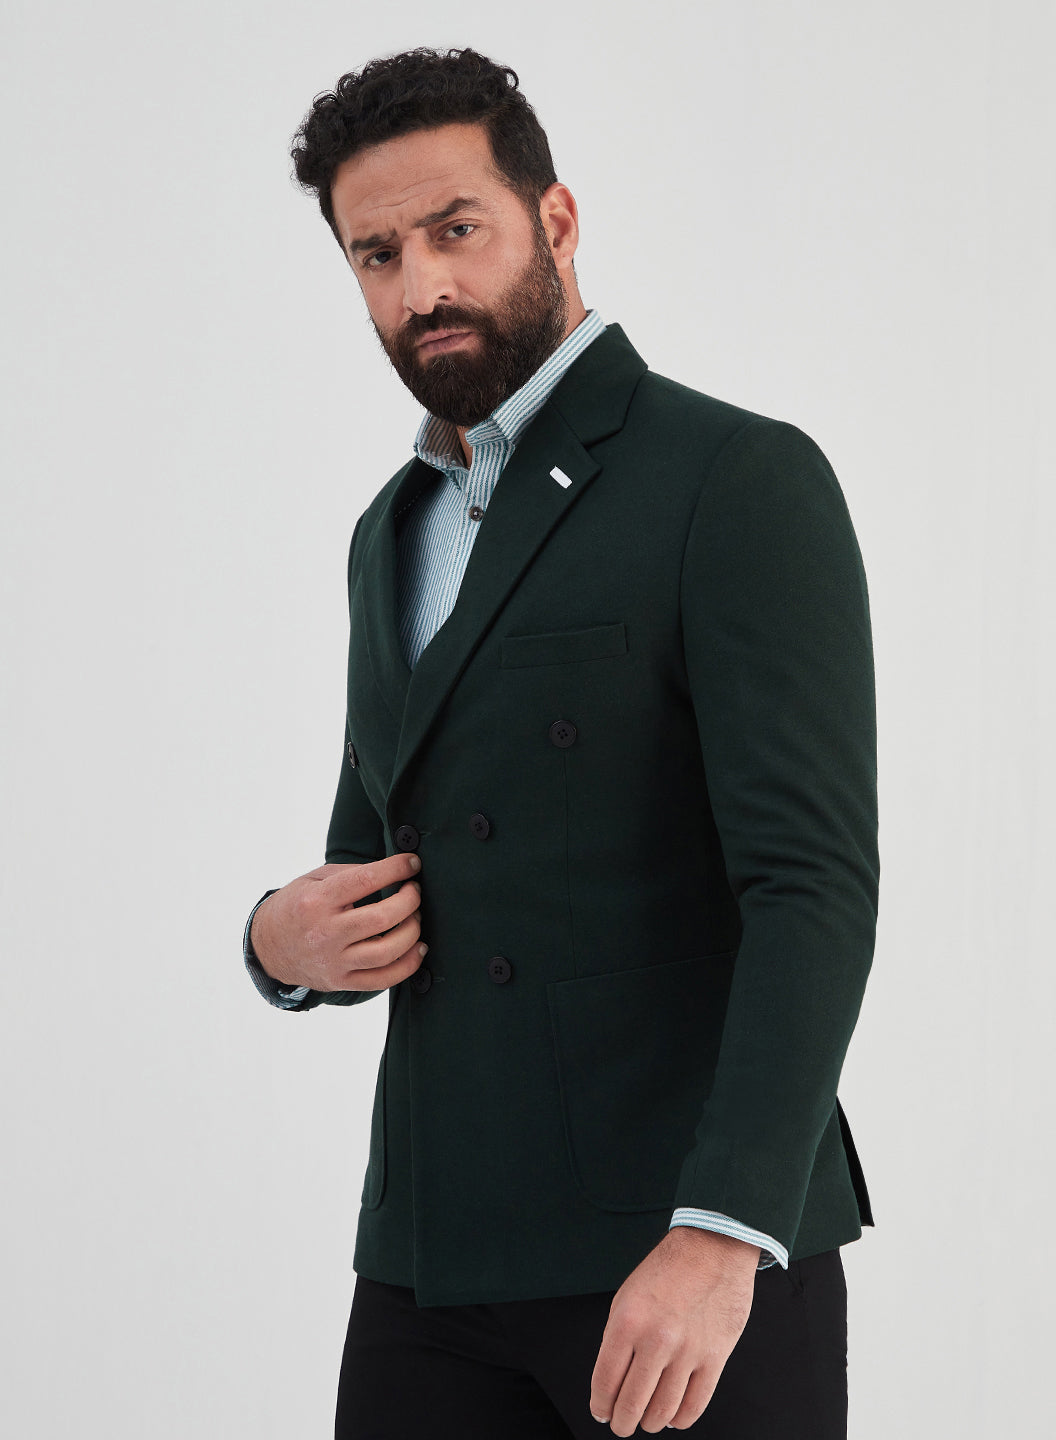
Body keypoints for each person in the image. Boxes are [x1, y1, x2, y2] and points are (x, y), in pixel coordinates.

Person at [243, 46, 878, 1440]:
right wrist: (279, 947)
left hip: (676, 1252)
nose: (421, 287)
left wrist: (724, 1233)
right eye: (376, 255)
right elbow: (375, 858)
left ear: (557, 220)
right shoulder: (387, 531)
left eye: (454, 230)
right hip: (430, 1255)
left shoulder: (735, 478)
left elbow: (812, 890)